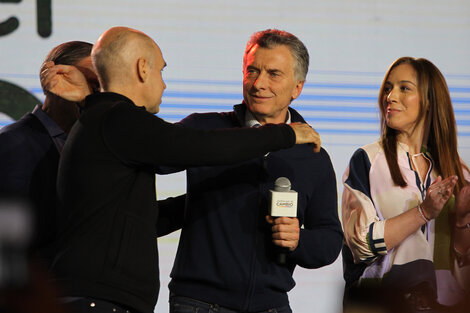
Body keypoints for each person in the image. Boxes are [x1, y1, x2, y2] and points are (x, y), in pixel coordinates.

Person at [49, 26, 321, 313]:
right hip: (100, 301)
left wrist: (219, 197)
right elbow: (197, 146)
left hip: (101, 298)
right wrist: (286, 135)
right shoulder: (119, 121)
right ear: (143, 68)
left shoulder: (105, 121)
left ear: (297, 86)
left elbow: (143, 218)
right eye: (161, 71)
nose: (164, 85)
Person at [158, 29, 343, 313]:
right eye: (252, 71)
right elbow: (153, 157)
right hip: (197, 303)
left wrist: (299, 239)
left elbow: (330, 240)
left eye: (274, 74)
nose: (258, 84)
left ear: (298, 87)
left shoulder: (313, 155)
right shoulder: (205, 129)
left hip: (271, 305)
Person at [341, 57, 470, 312]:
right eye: (388, 88)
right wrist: (423, 212)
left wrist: (461, 220)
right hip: (383, 303)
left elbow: (462, 261)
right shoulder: (367, 160)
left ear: (430, 101)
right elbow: (361, 244)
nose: (390, 96)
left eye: (404, 88)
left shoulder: (457, 171)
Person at [0, 41, 98, 267]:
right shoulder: (13, 144)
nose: (92, 97)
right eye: (92, 85)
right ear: (54, 77)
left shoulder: (93, 148)